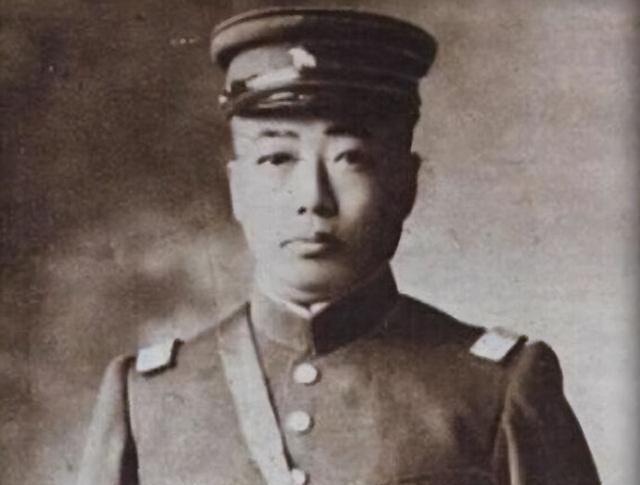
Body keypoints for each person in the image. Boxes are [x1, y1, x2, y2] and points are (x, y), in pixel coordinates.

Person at [77, 7, 600, 485]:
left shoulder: (494, 391)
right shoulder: (146, 399)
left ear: (405, 185)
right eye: (277, 159)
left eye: (351, 159)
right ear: (238, 189)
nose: (313, 198)